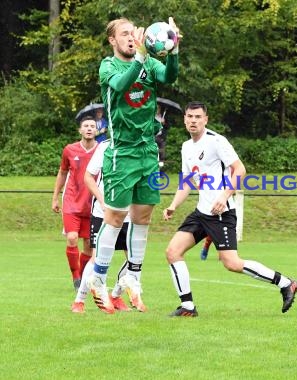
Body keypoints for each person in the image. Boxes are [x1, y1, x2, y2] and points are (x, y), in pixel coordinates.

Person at [163, 101, 297, 317]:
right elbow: (188, 181)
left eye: (198, 117)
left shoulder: (217, 141)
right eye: (189, 116)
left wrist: (225, 195)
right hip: (201, 212)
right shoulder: (186, 147)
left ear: (205, 119)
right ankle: (188, 306)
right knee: (173, 252)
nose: (193, 120)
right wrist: (173, 205)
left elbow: (240, 169)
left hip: (221, 213)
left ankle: (286, 283)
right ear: (184, 120)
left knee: (232, 263)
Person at [87, 16, 180, 313]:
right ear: (112, 41)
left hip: (148, 152)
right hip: (122, 154)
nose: (131, 37)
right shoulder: (109, 66)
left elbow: (169, 78)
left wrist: (174, 49)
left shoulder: (150, 64)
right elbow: (121, 83)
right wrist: (140, 56)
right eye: (124, 34)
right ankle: (98, 278)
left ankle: (133, 276)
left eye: (133, 33)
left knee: (143, 217)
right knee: (115, 217)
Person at [71, 139, 136, 314]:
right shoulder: (106, 146)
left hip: (129, 213)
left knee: (133, 259)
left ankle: (115, 296)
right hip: (103, 212)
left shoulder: (143, 145)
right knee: (96, 257)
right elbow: (88, 176)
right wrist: (101, 200)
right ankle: (79, 301)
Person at [52, 115, 98, 290]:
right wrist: (55, 197)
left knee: (87, 246)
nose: (89, 128)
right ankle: (76, 277)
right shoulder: (70, 150)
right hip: (71, 201)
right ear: (80, 130)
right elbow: (62, 173)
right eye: (85, 126)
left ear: (96, 130)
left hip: (92, 204)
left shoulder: (101, 150)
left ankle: (84, 276)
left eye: (92, 126)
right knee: (72, 238)